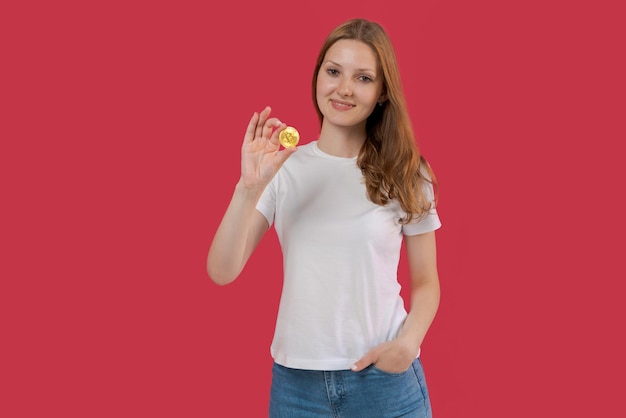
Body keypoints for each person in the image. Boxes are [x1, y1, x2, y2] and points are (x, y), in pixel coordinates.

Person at [207, 17, 441, 418]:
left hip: (384, 384)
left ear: (383, 93)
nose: (344, 89)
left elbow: (426, 281)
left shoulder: (407, 172)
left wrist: (408, 344)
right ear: (318, 76)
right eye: (333, 71)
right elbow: (222, 270)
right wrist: (247, 188)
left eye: (363, 78)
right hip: (296, 389)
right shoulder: (283, 168)